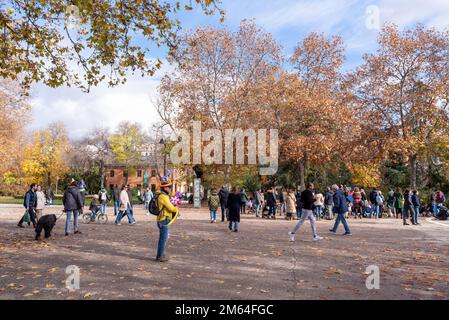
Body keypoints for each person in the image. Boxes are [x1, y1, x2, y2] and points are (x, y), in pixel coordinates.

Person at [155, 176, 179, 262]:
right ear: (165, 187)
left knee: (164, 238)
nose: (170, 188)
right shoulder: (163, 197)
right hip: (164, 219)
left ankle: (160, 254)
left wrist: (175, 195)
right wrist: (176, 207)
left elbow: (172, 194)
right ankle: (160, 256)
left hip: (162, 219)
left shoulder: (163, 195)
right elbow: (171, 208)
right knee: (163, 239)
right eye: (169, 187)